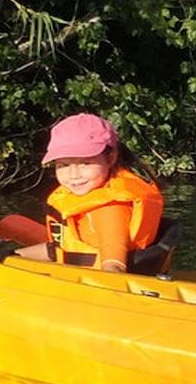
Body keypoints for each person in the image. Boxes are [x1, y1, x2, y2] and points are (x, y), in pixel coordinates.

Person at [23, 113, 169, 275]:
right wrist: (13, 256)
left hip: (98, 280)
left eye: (85, 163)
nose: (74, 175)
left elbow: (114, 265)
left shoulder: (109, 209)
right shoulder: (86, 195)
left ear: (111, 158)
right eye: (63, 165)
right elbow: (58, 251)